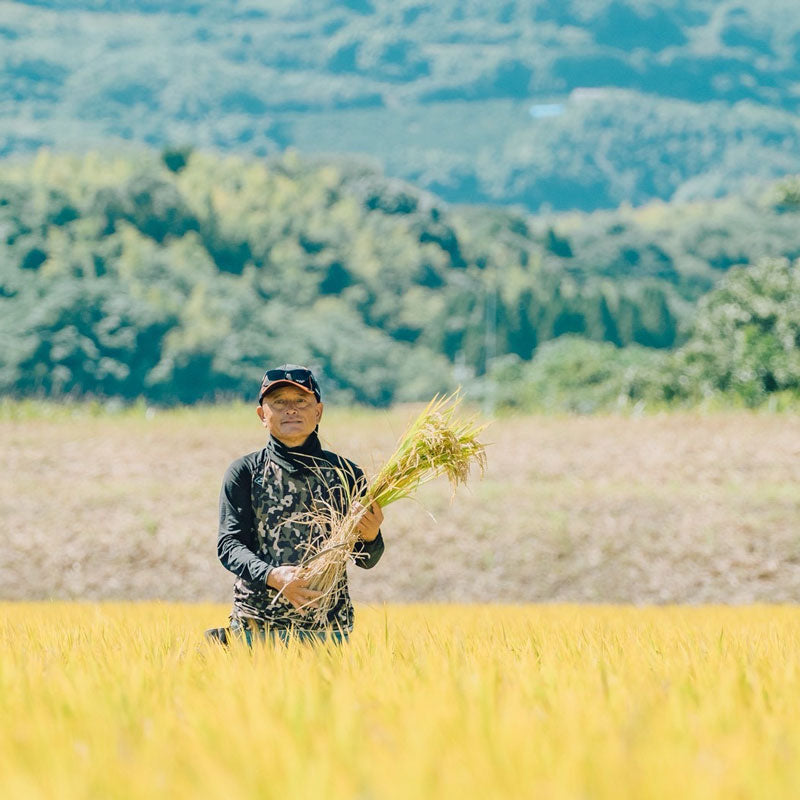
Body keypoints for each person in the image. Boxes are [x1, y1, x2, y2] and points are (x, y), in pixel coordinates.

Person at [206, 364, 385, 646]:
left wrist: (371, 535)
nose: (291, 409)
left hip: (328, 629)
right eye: (279, 402)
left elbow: (367, 560)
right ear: (262, 415)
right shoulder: (245, 472)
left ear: (319, 411)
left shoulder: (347, 474)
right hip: (257, 626)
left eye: (301, 401)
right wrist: (273, 576)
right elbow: (229, 546)